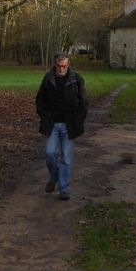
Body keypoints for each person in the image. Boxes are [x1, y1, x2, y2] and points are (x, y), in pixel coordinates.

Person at [35, 53, 88, 200]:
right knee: (50, 153)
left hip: (69, 124)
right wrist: (44, 115)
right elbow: (40, 99)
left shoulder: (76, 79)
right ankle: (54, 177)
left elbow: (84, 101)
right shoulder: (48, 78)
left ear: (68, 64)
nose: (61, 69)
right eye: (59, 66)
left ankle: (64, 188)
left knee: (66, 157)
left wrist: (79, 118)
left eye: (64, 66)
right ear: (55, 64)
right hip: (52, 123)